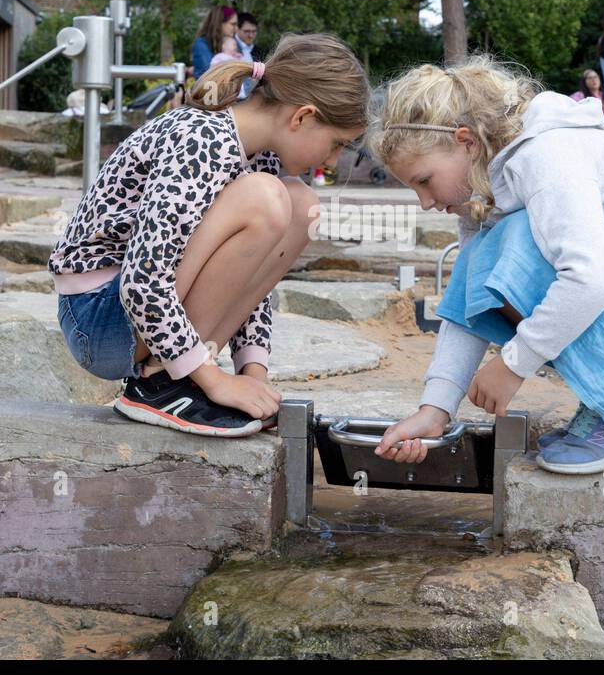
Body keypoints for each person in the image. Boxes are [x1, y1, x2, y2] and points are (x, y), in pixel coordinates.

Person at [366, 58, 604, 474]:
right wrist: (436, 407)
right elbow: (467, 296)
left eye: (424, 180)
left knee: (521, 241)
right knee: (486, 254)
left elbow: (593, 279)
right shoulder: (484, 186)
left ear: (466, 142)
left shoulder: (547, 154)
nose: (426, 202)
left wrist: (514, 363)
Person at [48, 33, 369, 436]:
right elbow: (142, 281)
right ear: (301, 117)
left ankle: (178, 373)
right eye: (337, 143)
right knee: (266, 198)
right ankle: (162, 383)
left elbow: (247, 275)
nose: (333, 160)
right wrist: (213, 379)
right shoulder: (202, 139)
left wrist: (252, 372)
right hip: (100, 319)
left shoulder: (260, 154)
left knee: (301, 206)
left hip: (138, 319)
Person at [191, 5, 237, 80]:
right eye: (233, 24)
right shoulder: (201, 44)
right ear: (220, 23)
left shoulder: (230, 42)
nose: (236, 28)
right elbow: (211, 74)